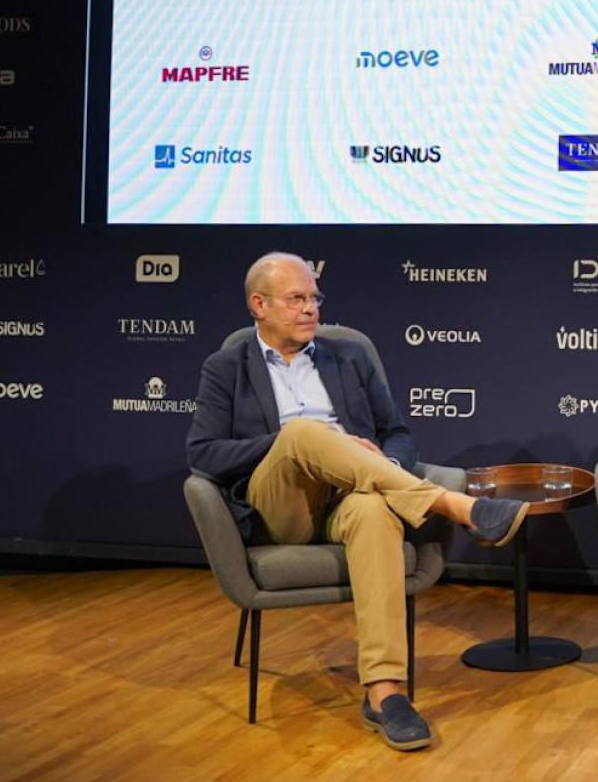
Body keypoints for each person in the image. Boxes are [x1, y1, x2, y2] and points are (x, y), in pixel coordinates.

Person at [185, 252, 529, 751]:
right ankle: (457, 507)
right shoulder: (226, 368)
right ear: (258, 305)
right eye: (296, 298)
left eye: (314, 298)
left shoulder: (349, 358)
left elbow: (398, 434)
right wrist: (288, 441)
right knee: (303, 431)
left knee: (372, 512)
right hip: (280, 505)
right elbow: (202, 454)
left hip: (352, 494)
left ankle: (385, 692)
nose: (310, 309)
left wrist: (377, 454)